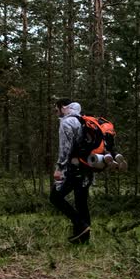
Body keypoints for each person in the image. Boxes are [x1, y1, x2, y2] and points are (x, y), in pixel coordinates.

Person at [49, 99, 93, 244]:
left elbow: (65, 149)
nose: (56, 113)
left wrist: (59, 168)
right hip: (87, 166)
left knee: (55, 197)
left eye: (56, 110)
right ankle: (83, 239)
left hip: (73, 169)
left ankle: (80, 225)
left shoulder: (66, 123)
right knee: (81, 201)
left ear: (62, 108)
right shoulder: (82, 120)